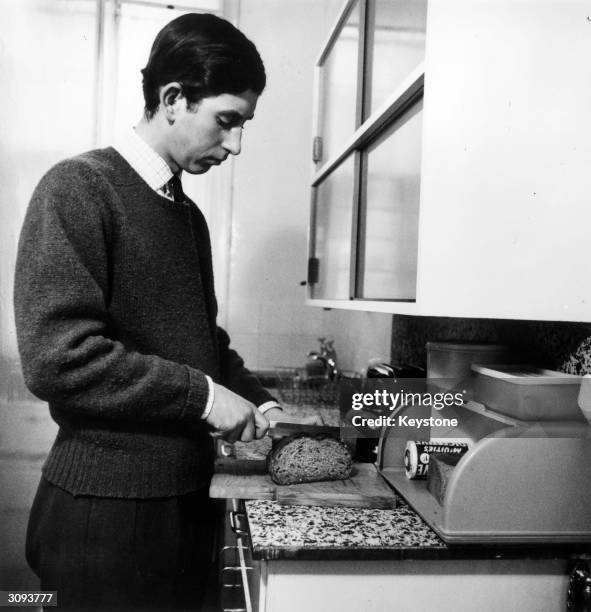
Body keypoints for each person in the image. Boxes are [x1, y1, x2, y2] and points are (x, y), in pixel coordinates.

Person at [14, 12, 319, 611]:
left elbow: (202, 340)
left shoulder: (188, 216)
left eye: (243, 125)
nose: (236, 144)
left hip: (183, 504)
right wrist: (206, 398)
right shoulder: (78, 188)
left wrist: (260, 400)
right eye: (227, 121)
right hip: (104, 516)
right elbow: (59, 360)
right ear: (173, 98)